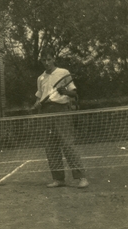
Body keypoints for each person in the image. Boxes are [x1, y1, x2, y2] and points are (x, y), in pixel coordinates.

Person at [33, 51, 89, 189]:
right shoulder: (40, 78)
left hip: (61, 110)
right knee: (51, 146)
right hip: (46, 112)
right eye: (44, 59)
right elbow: (39, 97)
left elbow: (74, 93)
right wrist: (37, 103)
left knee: (67, 144)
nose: (47, 62)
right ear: (41, 61)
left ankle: (82, 178)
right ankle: (58, 179)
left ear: (54, 59)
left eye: (49, 59)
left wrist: (65, 92)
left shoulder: (64, 72)